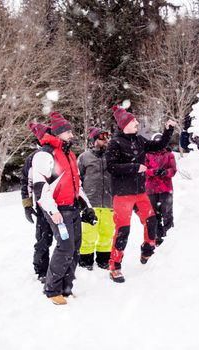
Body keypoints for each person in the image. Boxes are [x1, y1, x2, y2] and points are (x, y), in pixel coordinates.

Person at [32, 112, 97, 305]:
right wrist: (53, 211)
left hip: (72, 208)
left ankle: (66, 287)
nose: (71, 135)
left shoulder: (69, 153)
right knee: (65, 248)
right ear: (58, 133)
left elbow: (78, 185)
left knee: (75, 248)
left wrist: (87, 207)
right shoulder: (45, 154)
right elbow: (40, 187)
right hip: (58, 210)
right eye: (68, 132)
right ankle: (52, 289)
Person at [105, 105, 176, 283]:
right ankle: (115, 265)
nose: (137, 122)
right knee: (123, 231)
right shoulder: (115, 143)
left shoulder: (138, 140)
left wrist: (168, 131)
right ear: (124, 124)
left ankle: (147, 250)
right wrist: (135, 167)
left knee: (151, 222)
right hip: (123, 195)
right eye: (133, 121)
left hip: (140, 193)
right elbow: (111, 167)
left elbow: (158, 145)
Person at [20, 122, 54, 283]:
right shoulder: (32, 158)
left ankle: (65, 270)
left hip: (63, 204)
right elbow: (26, 183)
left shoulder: (60, 153)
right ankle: (41, 270)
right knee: (43, 240)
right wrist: (27, 205)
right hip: (43, 206)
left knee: (67, 241)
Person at [77, 126, 114, 270]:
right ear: (94, 140)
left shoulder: (112, 156)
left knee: (107, 233)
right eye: (102, 138)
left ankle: (104, 260)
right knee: (88, 234)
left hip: (109, 203)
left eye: (107, 137)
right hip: (90, 203)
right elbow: (77, 180)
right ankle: (85, 261)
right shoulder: (84, 157)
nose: (106, 140)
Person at [145, 133, 177, 246]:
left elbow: (173, 170)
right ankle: (157, 237)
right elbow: (144, 169)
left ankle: (169, 235)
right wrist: (153, 172)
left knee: (167, 213)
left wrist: (165, 172)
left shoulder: (169, 154)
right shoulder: (147, 154)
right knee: (154, 214)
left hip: (165, 188)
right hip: (151, 189)